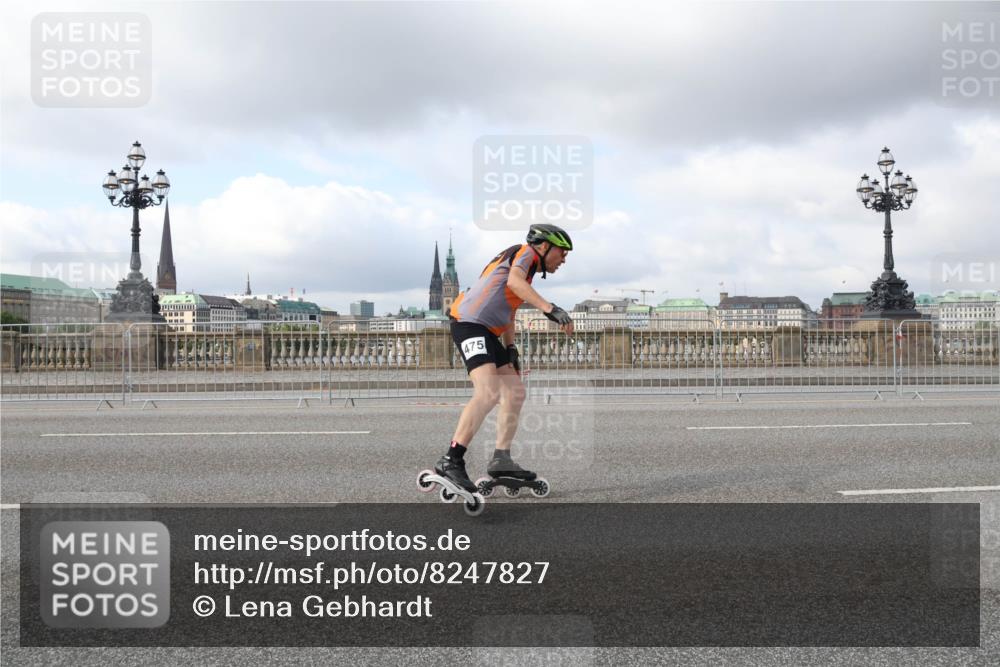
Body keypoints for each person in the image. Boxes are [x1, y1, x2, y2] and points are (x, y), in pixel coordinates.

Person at [433, 223, 575, 493]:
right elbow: (514, 283)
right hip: (468, 323)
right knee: (488, 392)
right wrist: (550, 308)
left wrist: (511, 348)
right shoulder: (525, 254)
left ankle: (501, 458)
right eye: (562, 252)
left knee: (515, 392)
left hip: (487, 330)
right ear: (544, 246)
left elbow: (509, 308)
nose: (564, 259)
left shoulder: (528, 272)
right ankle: (451, 460)